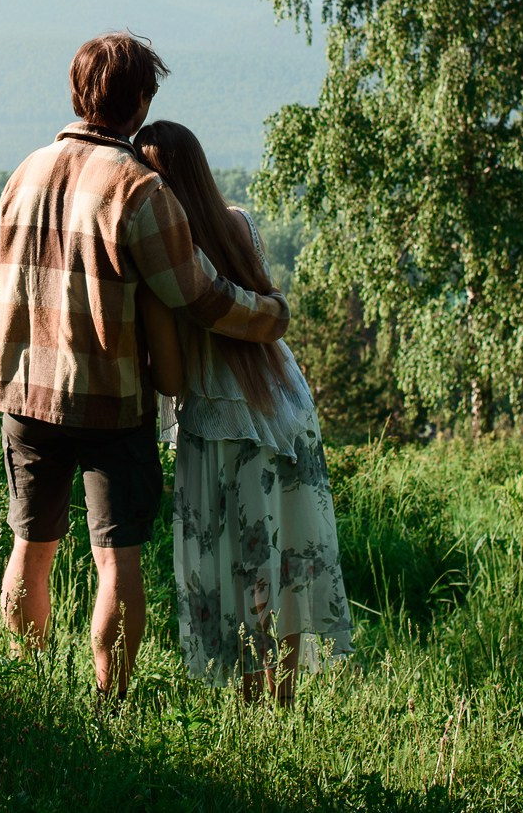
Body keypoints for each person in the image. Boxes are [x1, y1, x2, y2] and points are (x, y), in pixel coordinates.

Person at [0, 33, 291, 698]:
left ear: (77, 93)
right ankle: (109, 708)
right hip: (108, 401)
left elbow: (2, 279)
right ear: (142, 100)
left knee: (29, 550)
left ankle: (23, 690)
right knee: (114, 561)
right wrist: (269, 313)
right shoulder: (139, 188)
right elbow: (199, 296)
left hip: (23, 394)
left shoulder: (25, 171)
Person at [133, 119, 352, 703]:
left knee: (239, 569)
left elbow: (175, 377)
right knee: (280, 563)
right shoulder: (239, 225)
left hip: (221, 424)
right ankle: (283, 701)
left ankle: (257, 706)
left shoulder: (162, 264)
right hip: (283, 408)